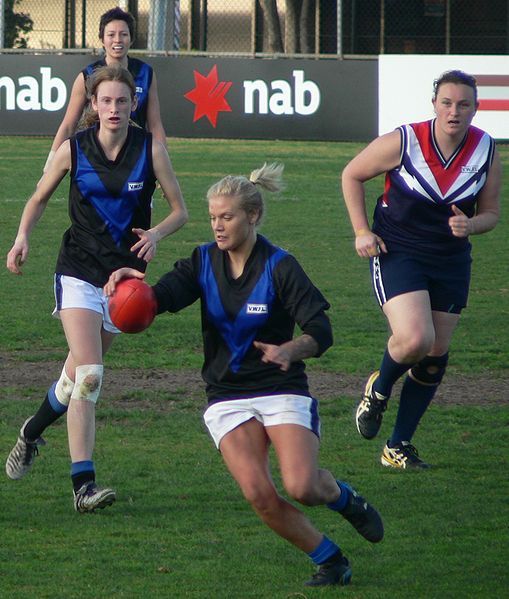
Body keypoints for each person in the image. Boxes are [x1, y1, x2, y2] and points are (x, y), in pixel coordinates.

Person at [104, 163, 383, 587]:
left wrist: (293, 348)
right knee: (259, 494)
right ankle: (331, 560)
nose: (217, 226)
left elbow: (321, 330)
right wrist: (132, 289)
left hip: (280, 388)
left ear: (252, 216)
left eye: (227, 217)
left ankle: (345, 498)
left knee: (302, 486)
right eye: (213, 217)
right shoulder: (201, 261)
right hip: (227, 395)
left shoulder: (281, 266)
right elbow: (158, 298)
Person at [5, 65, 188, 512]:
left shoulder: (151, 150)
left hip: (122, 282)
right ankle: (83, 485)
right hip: (77, 272)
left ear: (133, 105)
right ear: (92, 105)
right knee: (90, 374)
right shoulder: (73, 149)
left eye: (122, 101)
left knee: (74, 377)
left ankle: (31, 432)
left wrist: (157, 234)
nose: (113, 108)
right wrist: (22, 236)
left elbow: (180, 211)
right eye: (105, 101)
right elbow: (39, 197)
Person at [341, 70, 501, 469]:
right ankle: (378, 388)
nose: (454, 111)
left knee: (435, 352)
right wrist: (362, 231)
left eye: (464, 104)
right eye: (447, 103)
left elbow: (492, 213)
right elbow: (352, 174)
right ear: (434, 104)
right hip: (399, 250)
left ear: (476, 109)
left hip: (450, 259)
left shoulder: (486, 150)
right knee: (414, 339)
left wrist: (471, 225)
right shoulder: (405, 140)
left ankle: (398, 446)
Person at [42, 7, 167, 175]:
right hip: (95, 158)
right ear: (102, 39)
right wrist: (49, 166)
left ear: (131, 39)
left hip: (136, 157)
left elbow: (155, 124)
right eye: (111, 35)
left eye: (124, 34)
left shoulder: (146, 73)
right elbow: (68, 125)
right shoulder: (87, 76)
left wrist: (164, 166)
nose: (118, 40)